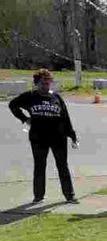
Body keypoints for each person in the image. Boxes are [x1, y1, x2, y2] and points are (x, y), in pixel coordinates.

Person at [8, 68, 79, 204]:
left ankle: (70, 195)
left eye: (48, 83)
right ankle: (38, 196)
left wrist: (72, 135)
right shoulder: (30, 96)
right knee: (40, 166)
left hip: (58, 137)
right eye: (43, 83)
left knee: (62, 165)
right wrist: (25, 119)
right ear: (36, 83)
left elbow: (65, 117)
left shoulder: (56, 97)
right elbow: (13, 105)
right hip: (38, 137)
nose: (46, 86)